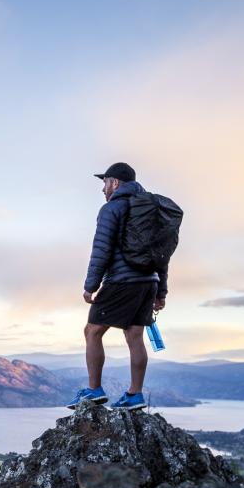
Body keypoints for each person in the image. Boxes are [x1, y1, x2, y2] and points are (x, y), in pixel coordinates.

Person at [67, 162, 168, 411]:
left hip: (122, 281)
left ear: (115, 183)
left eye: (105, 182)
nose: (103, 189)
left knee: (92, 331)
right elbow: (163, 253)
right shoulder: (150, 209)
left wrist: (90, 285)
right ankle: (135, 395)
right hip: (149, 282)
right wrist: (161, 290)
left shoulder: (112, 208)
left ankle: (93, 391)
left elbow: (101, 248)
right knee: (134, 336)